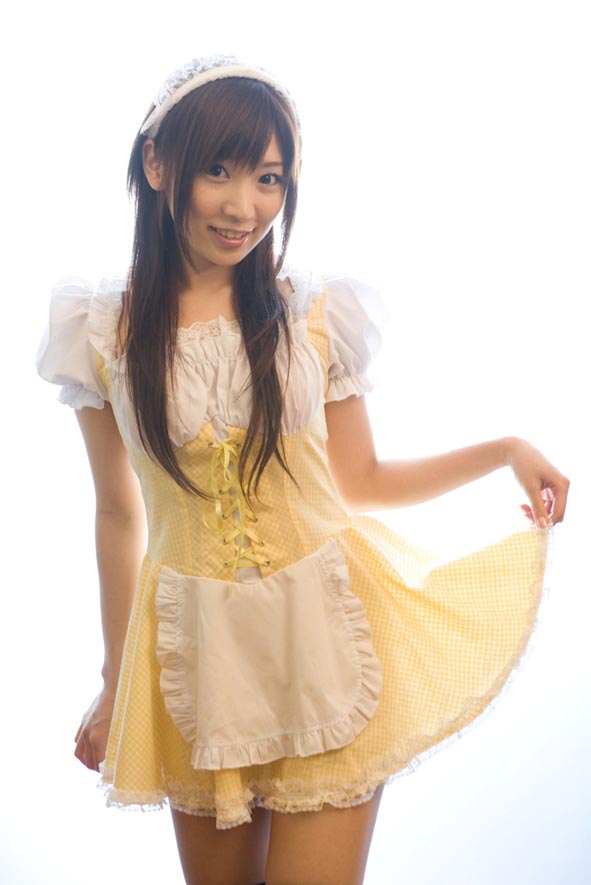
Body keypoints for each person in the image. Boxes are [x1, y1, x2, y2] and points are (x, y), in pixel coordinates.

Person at [36, 55, 569, 885]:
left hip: (324, 635)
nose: (244, 206)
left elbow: (362, 479)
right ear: (158, 164)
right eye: (218, 171)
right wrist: (114, 680)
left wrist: (502, 449)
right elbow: (117, 512)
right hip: (196, 653)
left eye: (269, 178)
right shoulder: (102, 331)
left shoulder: (311, 314)